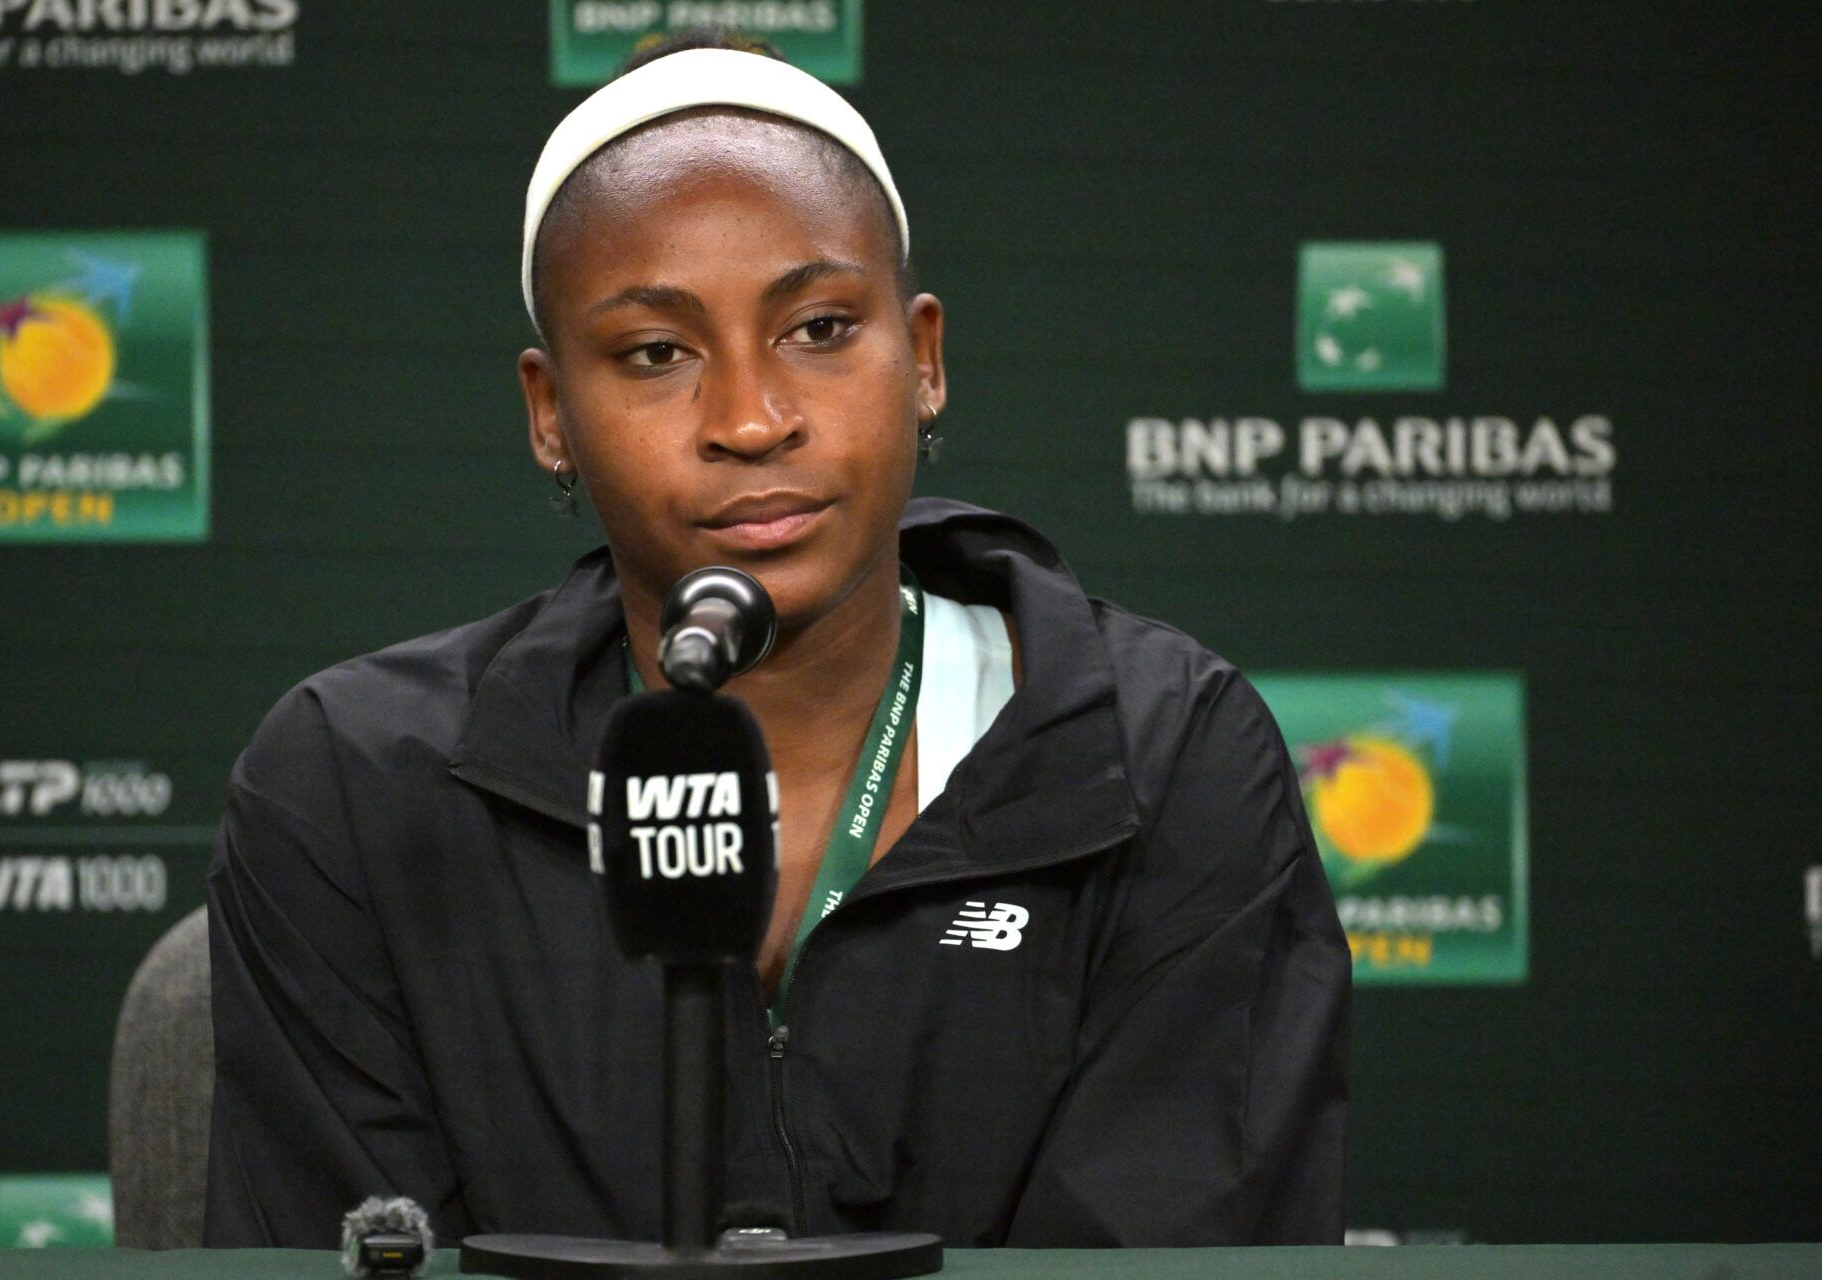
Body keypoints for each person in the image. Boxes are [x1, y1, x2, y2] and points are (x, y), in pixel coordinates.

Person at [204, 31, 1349, 1250]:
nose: (750, 420)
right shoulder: (355, 790)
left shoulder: (1166, 755)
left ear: (925, 359)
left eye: (819, 328)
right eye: (657, 353)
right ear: (550, 414)